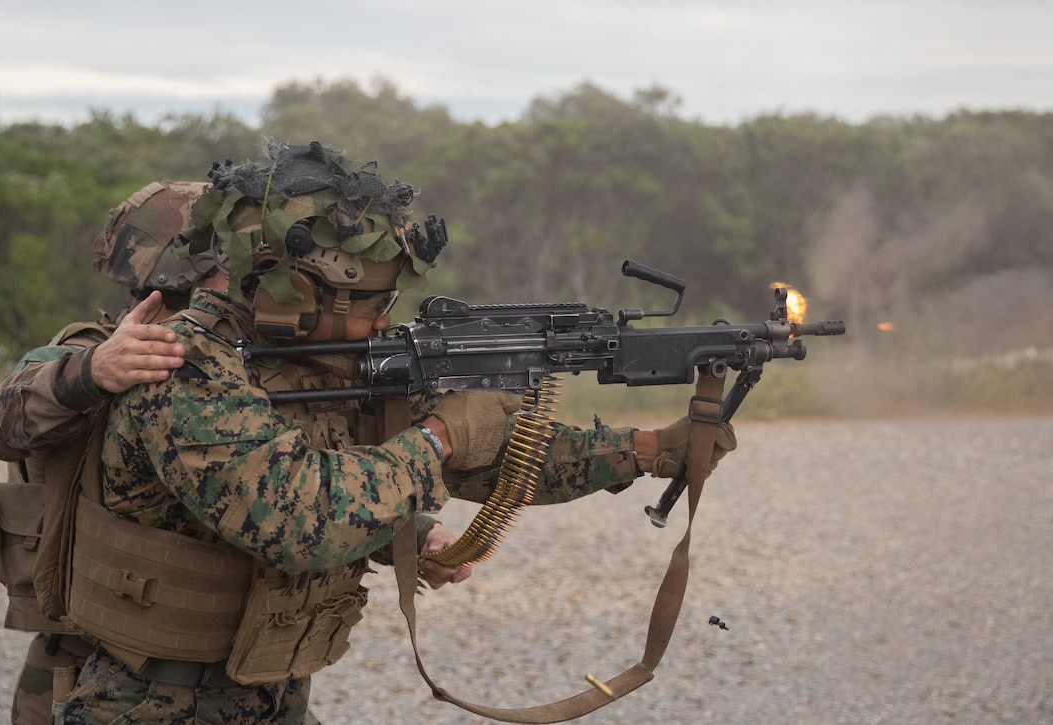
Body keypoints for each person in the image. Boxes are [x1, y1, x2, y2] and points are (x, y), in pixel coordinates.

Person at [57, 141, 736, 724]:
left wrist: (648, 450)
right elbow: (302, 518)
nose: (386, 321)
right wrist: (438, 436)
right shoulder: (180, 367)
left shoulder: (323, 361)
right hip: (151, 704)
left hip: (266, 695)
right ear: (296, 289)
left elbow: (499, 457)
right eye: (374, 304)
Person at [0, 179, 225, 724]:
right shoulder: (84, 354)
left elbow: (288, 474)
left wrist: (413, 530)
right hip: (87, 652)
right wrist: (90, 374)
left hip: (218, 651)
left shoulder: (234, 372)